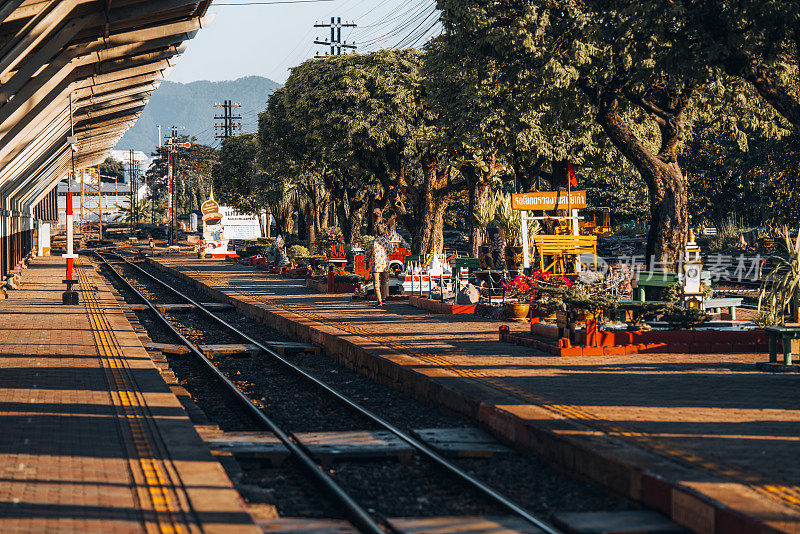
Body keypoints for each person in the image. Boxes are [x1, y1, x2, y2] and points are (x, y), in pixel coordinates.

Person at [365, 225, 394, 306]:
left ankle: (379, 300)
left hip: (375, 265)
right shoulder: (387, 241)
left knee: (376, 283)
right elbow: (391, 252)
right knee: (384, 282)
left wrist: (366, 263)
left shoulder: (372, 242)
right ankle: (384, 299)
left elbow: (367, 253)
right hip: (385, 265)